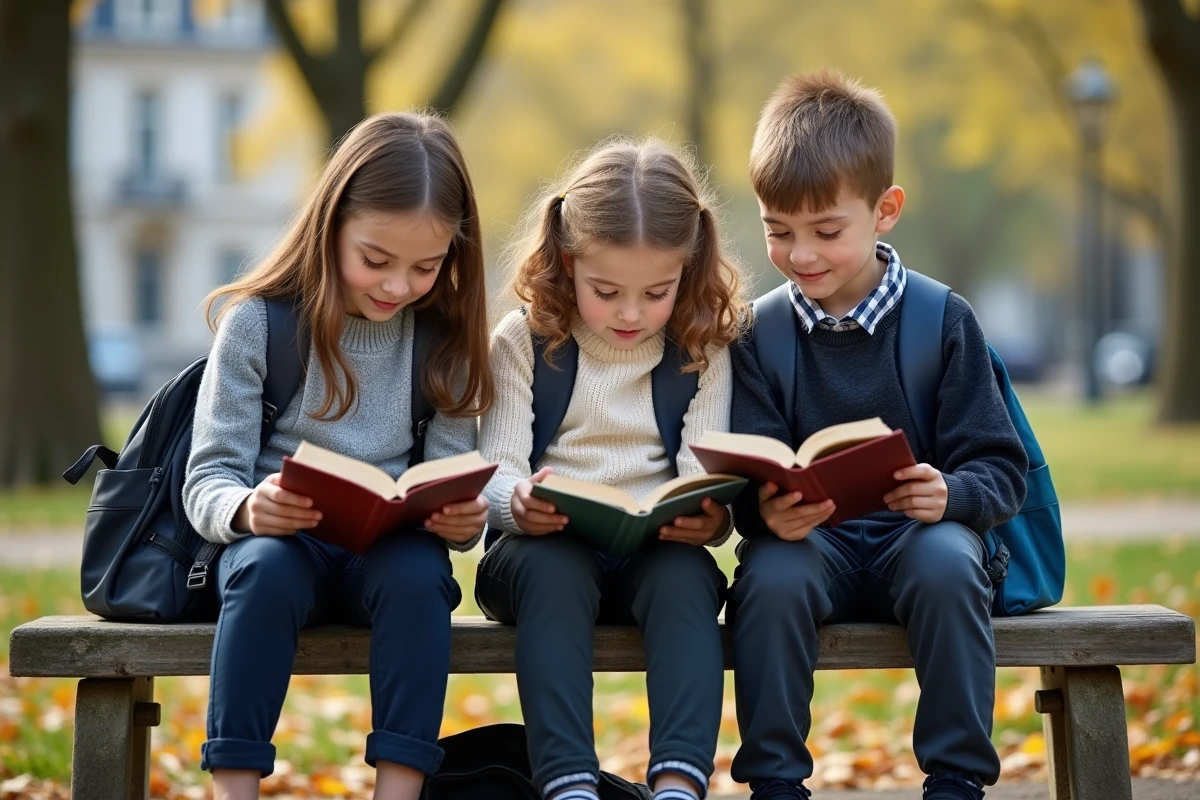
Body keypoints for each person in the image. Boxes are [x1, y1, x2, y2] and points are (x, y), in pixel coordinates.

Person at [727, 70, 1029, 800]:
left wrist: (949, 491)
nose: (802, 255)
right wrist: (762, 511)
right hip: (814, 546)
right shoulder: (758, 334)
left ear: (884, 210)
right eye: (778, 231)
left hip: (918, 539)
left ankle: (956, 777)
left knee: (949, 566)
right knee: (768, 576)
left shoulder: (942, 319)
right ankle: (774, 781)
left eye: (827, 231)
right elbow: (750, 469)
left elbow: (1001, 467)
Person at [183, 111, 494, 800]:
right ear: (330, 228)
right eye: (375, 260)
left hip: (390, 551)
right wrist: (248, 507)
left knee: (421, 582)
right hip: (281, 543)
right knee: (261, 574)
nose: (395, 286)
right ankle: (234, 788)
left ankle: (399, 789)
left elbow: (449, 477)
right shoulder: (260, 324)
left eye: (425, 266)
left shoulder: (441, 340)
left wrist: (461, 521)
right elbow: (207, 479)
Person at [476, 139, 746, 800]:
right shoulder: (522, 340)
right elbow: (493, 472)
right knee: (554, 568)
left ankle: (680, 782)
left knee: (687, 579)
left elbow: (699, 470)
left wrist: (707, 521)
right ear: (568, 263)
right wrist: (520, 503)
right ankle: (568, 783)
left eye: (657, 292)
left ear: (688, 268)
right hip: (540, 552)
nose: (630, 313)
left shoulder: (702, 347)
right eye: (606, 291)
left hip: (653, 552)